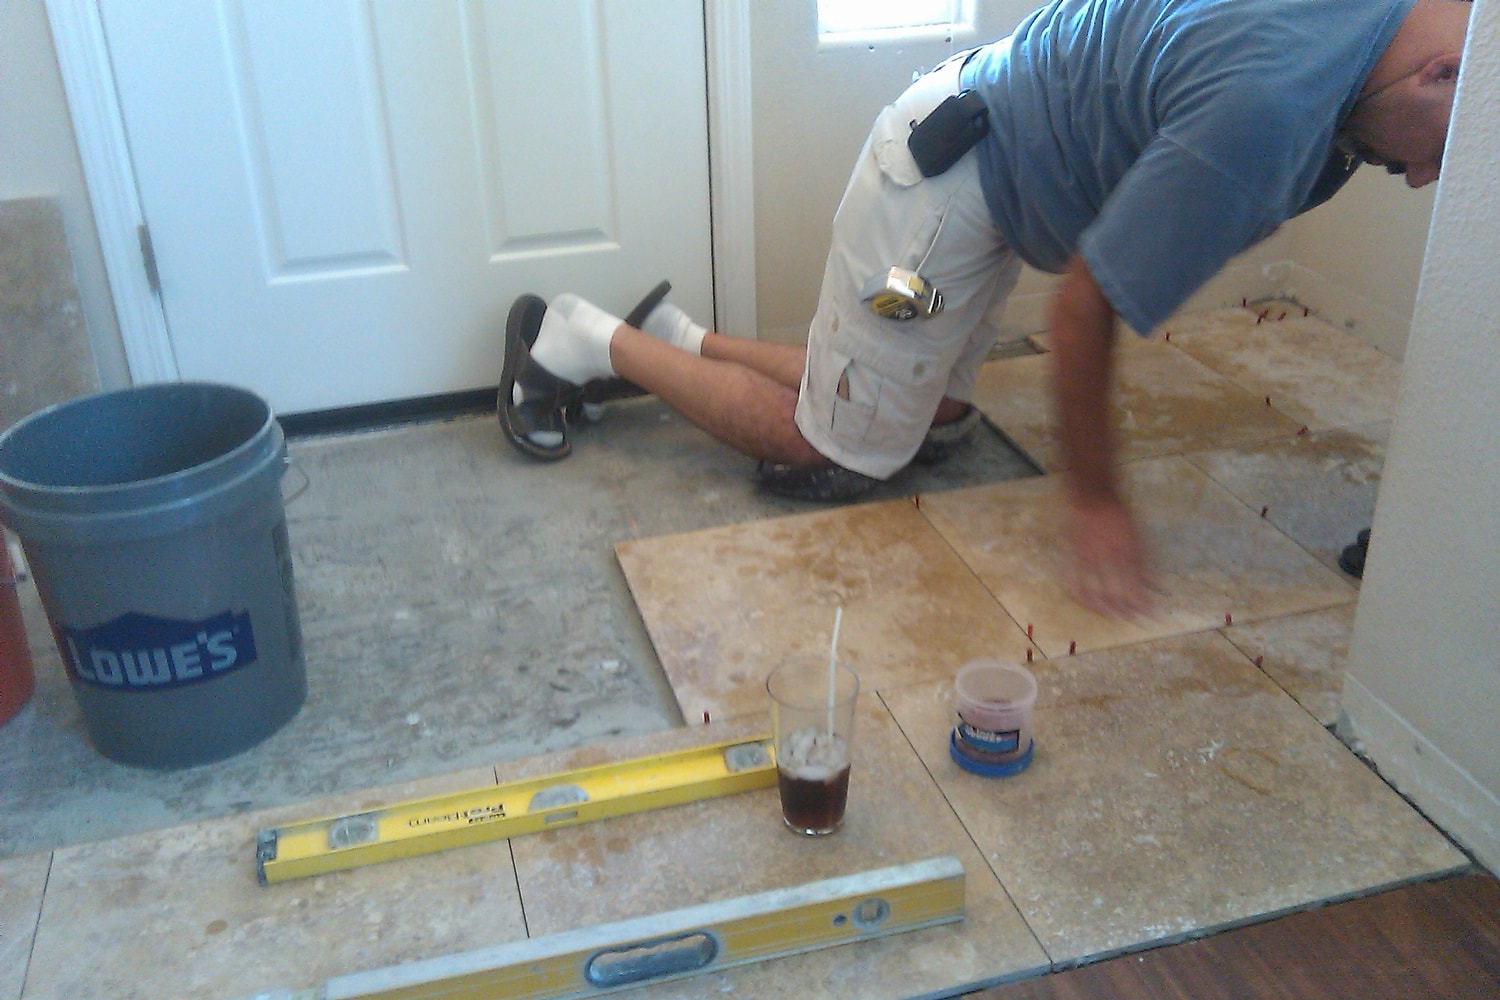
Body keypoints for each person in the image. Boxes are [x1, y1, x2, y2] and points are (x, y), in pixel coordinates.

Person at [498, 0, 1471, 617]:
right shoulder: (1274, 102)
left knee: (938, 419)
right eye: (1439, 153)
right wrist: (1093, 500)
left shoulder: (1352, 48)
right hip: (941, 197)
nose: (1425, 180)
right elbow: (1083, 314)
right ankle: (581, 336)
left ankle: (685, 338)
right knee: (835, 449)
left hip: (992, 189)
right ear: (1443, 74)